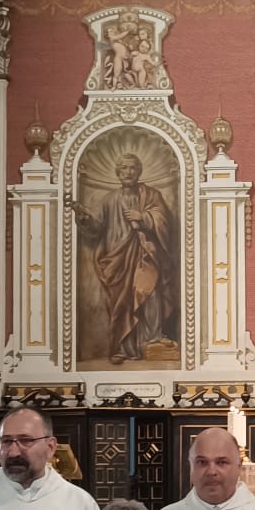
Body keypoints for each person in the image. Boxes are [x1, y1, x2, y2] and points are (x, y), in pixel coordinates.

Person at [70, 153, 177, 364]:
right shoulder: (110, 198)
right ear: (118, 172)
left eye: (132, 168)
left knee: (149, 293)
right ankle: (122, 348)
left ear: (139, 171)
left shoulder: (151, 195)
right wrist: (84, 216)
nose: (128, 172)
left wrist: (144, 217)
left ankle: (151, 341)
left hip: (146, 254)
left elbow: (165, 221)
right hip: (117, 258)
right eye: (124, 168)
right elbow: (97, 226)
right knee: (121, 303)